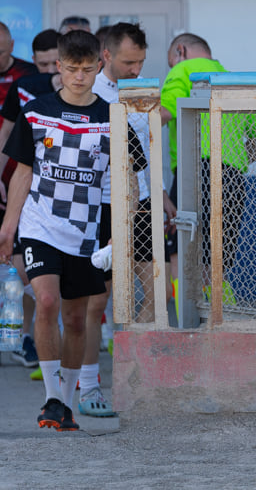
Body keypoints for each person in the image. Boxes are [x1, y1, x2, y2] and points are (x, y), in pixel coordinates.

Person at [0, 30, 143, 432]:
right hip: (40, 224)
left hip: (88, 232)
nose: (79, 77)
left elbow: (129, 178)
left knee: (78, 320)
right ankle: (49, 398)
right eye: (71, 69)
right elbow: (23, 172)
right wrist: (8, 226)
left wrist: (121, 228)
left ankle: (65, 402)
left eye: (86, 69)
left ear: (99, 66)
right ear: (58, 67)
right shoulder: (37, 111)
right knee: (46, 301)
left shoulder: (113, 116)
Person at [159, 33, 256, 303]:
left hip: (194, 171)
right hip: (233, 176)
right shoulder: (231, 80)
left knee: (179, 250)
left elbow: (164, 112)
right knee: (216, 257)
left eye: (170, 61)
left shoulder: (183, 70)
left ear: (180, 51)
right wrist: (238, 156)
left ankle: (188, 310)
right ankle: (220, 314)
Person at [83, 22, 149, 418]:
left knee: (144, 282)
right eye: (128, 62)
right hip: (95, 207)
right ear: (106, 56)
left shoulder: (143, 91)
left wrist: (154, 196)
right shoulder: (93, 97)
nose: (136, 69)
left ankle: (134, 368)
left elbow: (143, 156)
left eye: (140, 61)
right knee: (96, 296)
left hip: (137, 204)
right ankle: (86, 377)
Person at [0, 28, 62, 371]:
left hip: (66, 198)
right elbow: (6, 132)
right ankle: (27, 336)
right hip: (22, 188)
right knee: (22, 268)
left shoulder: (78, 90)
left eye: (57, 62)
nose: (51, 70)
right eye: (44, 64)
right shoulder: (25, 87)